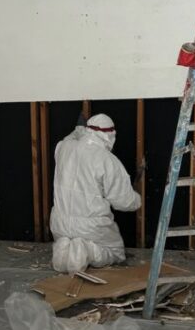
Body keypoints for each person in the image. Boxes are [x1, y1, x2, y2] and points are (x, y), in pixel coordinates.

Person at [50, 113, 141, 273]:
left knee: (67, 239)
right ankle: (84, 250)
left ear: (87, 130)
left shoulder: (63, 147)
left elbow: (70, 138)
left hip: (59, 224)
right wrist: (137, 199)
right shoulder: (107, 160)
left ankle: (64, 248)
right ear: (110, 134)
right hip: (91, 227)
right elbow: (124, 202)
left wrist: (79, 129)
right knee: (115, 253)